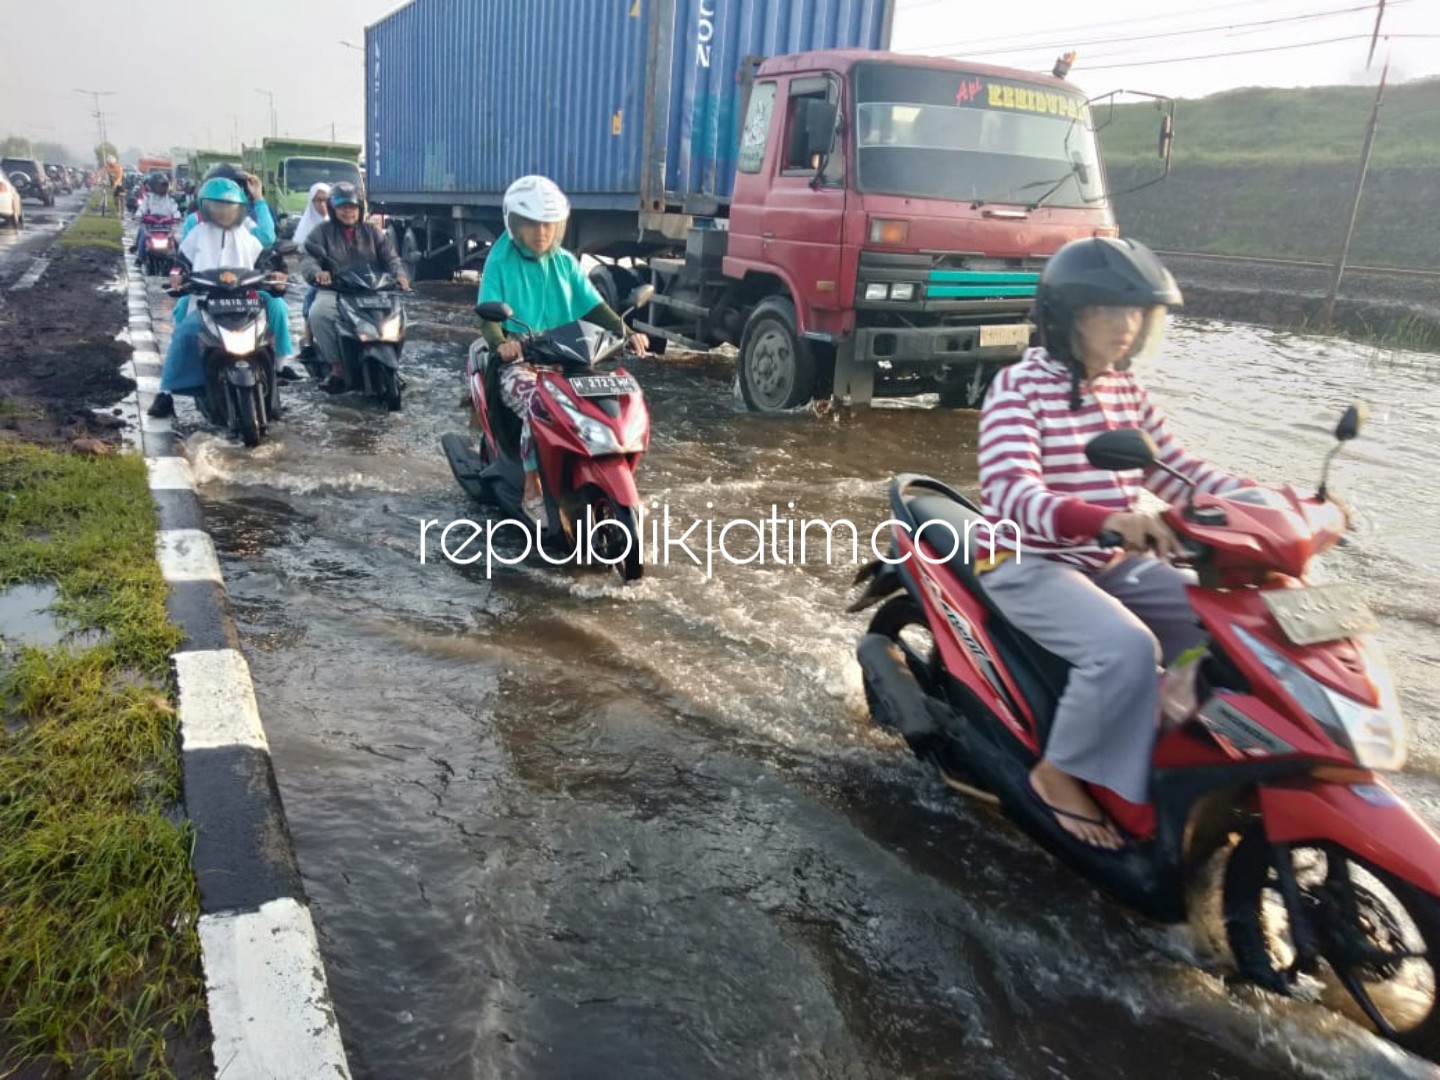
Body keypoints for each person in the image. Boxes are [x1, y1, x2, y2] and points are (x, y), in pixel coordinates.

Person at [974, 236, 1253, 851]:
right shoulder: (1017, 388)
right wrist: (1106, 519)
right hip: (1025, 559)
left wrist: (1265, 505)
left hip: (1107, 561)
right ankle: (1059, 772)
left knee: (1230, 626)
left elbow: (1182, 472)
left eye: (1137, 313)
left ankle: (1166, 733)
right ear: (1069, 316)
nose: (1127, 326)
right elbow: (1011, 490)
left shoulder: (1124, 391)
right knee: (1126, 646)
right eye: (1110, 311)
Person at [477, 174, 649, 528]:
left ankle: (601, 471)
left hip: (566, 356)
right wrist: (502, 345)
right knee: (538, 404)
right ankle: (532, 487)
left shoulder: (564, 262)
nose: (541, 233)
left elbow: (594, 305)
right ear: (517, 225)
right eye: (532, 225)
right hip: (520, 362)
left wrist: (626, 331)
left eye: (548, 225)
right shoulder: (500, 260)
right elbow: (488, 317)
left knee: (611, 401)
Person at [148, 177, 290, 419]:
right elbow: (179, 265)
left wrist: (277, 275)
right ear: (206, 207)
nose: (225, 213)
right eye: (218, 207)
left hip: (246, 304)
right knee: (183, 333)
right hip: (205, 304)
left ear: (239, 209)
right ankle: (165, 393)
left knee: (265, 340)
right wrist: (176, 277)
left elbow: (267, 262)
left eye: (230, 207)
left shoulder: (248, 237)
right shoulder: (196, 235)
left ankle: (274, 394)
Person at [299, 181, 411, 392]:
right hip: (337, 289)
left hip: (373, 289)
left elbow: (391, 258)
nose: (348, 212)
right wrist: (318, 273)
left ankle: (392, 363)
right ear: (333, 209)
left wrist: (400, 276)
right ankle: (337, 367)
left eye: (352, 207)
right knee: (319, 314)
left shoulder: (373, 232)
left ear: (360, 209)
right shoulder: (321, 232)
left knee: (400, 315)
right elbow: (308, 259)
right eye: (342, 207)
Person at [292, 182, 331, 355]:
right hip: (319, 276)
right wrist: (317, 272)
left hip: (344, 275)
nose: (322, 205)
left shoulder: (340, 224)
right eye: (318, 201)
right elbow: (305, 256)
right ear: (311, 202)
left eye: (326, 200)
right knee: (312, 298)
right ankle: (308, 339)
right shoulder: (307, 227)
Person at [132, 171, 179, 263]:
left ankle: (178, 262)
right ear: (153, 186)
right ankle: (140, 258)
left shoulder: (169, 199)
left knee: (175, 241)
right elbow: (142, 208)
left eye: (164, 185)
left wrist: (177, 216)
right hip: (151, 225)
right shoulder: (148, 198)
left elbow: (175, 209)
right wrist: (138, 215)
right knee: (143, 235)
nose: (162, 188)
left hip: (165, 226)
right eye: (160, 185)